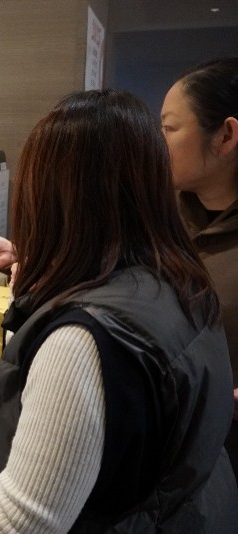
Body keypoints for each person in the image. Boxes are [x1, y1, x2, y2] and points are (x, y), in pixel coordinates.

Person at [0, 89, 237, 532]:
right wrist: (47, 270)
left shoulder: (84, 340)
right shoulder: (182, 282)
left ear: (51, 196)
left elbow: (14, 525)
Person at [160, 57, 238, 476]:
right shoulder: (164, 212)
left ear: (226, 136)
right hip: (171, 453)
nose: (159, 143)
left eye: (170, 128)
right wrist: (21, 255)